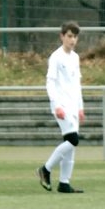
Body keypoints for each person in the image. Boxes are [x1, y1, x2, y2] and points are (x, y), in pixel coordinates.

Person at [37, 21, 86, 194]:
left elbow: (77, 84)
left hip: (73, 106)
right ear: (62, 36)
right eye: (69, 36)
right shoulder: (56, 57)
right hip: (62, 106)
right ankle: (45, 169)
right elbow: (50, 83)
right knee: (73, 140)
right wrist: (56, 105)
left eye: (75, 37)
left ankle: (64, 183)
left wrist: (80, 107)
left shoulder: (75, 57)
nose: (72, 40)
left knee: (70, 145)